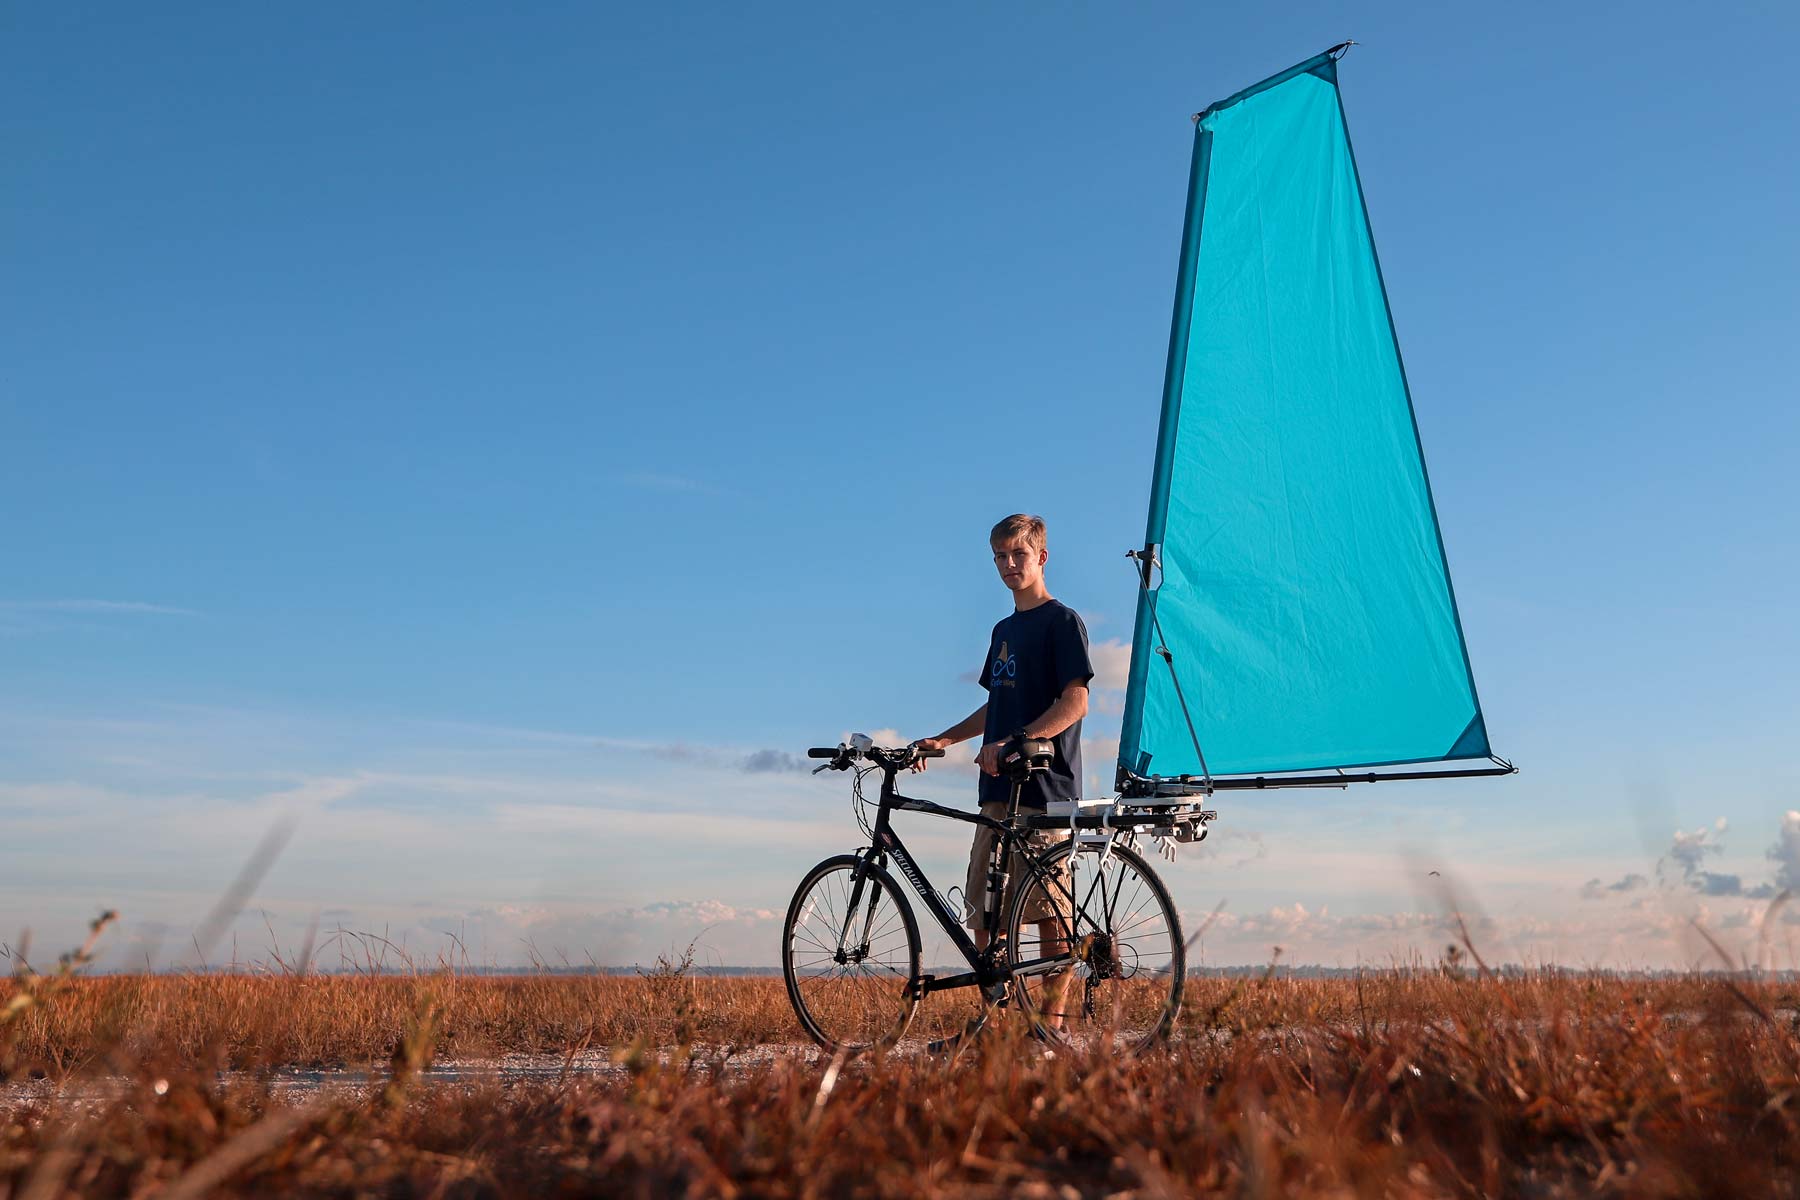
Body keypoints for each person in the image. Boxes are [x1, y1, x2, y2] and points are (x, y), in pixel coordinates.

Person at [911, 513, 1094, 1024]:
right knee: (986, 912)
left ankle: (1049, 1029)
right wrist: (945, 738)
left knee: (1046, 913)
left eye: (1018, 554)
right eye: (1000, 556)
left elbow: (1075, 702)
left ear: (1042, 556)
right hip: (996, 788)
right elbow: (997, 706)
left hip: (1045, 787)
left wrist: (1021, 740)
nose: (1010, 564)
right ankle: (997, 1024)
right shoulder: (1003, 630)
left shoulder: (1063, 622)